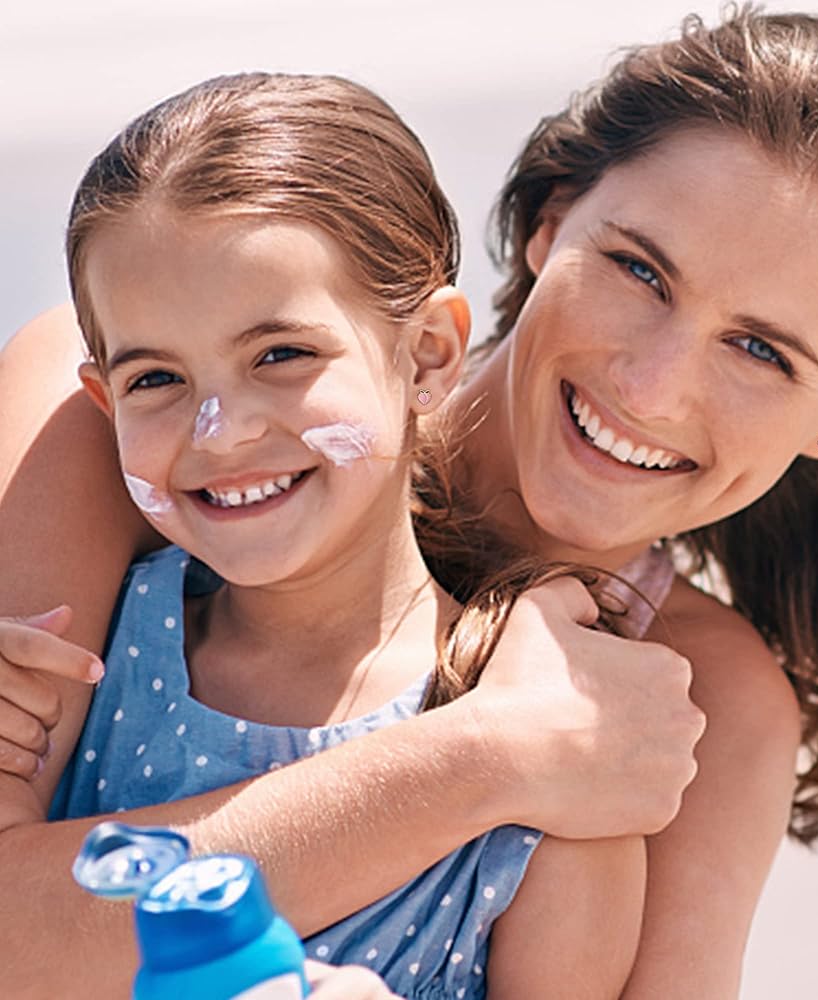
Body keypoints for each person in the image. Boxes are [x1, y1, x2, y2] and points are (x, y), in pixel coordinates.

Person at [2, 6, 818, 998]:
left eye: (760, 350)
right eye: (639, 269)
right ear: (550, 226)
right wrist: (484, 758)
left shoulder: (700, 693)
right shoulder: (123, 413)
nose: (650, 387)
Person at [1, 72, 656, 999]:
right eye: (156, 379)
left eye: (282, 355)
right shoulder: (71, 656)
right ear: (104, 401)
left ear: (428, 353)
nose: (220, 431)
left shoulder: (561, 783)